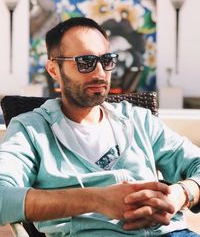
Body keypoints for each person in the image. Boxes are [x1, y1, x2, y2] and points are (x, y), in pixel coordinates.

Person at [0, 17, 200, 237]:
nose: (99, 73)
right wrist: (96, 200)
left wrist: (182, 193)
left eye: (106, 60)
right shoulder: (32, 130)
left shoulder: (137, 120)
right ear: (54, 69)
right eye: (85, 62)